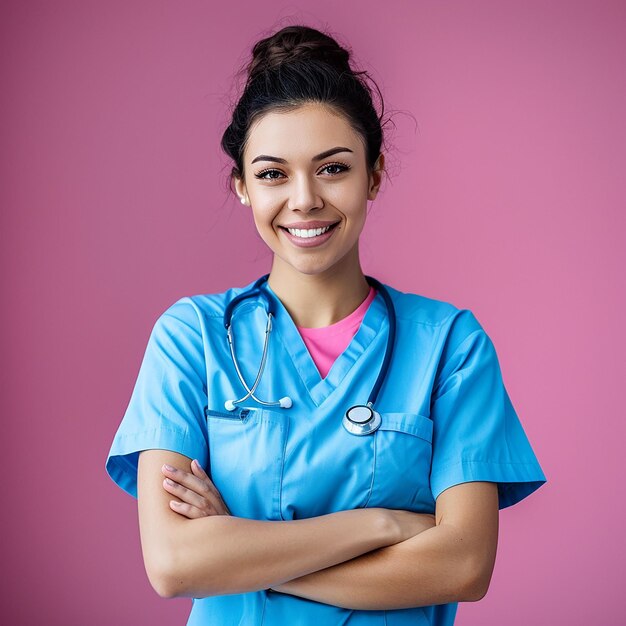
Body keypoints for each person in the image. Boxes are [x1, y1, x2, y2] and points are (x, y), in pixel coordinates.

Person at [105, 23, 547, 626]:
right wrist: (384, 525)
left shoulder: (450, 346)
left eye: (333, 168)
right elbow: (176, 564)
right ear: (241, 186)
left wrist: (241, 549)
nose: (305, 198)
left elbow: (464, 566)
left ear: (375, 173)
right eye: (271, 174)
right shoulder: (191, 337)